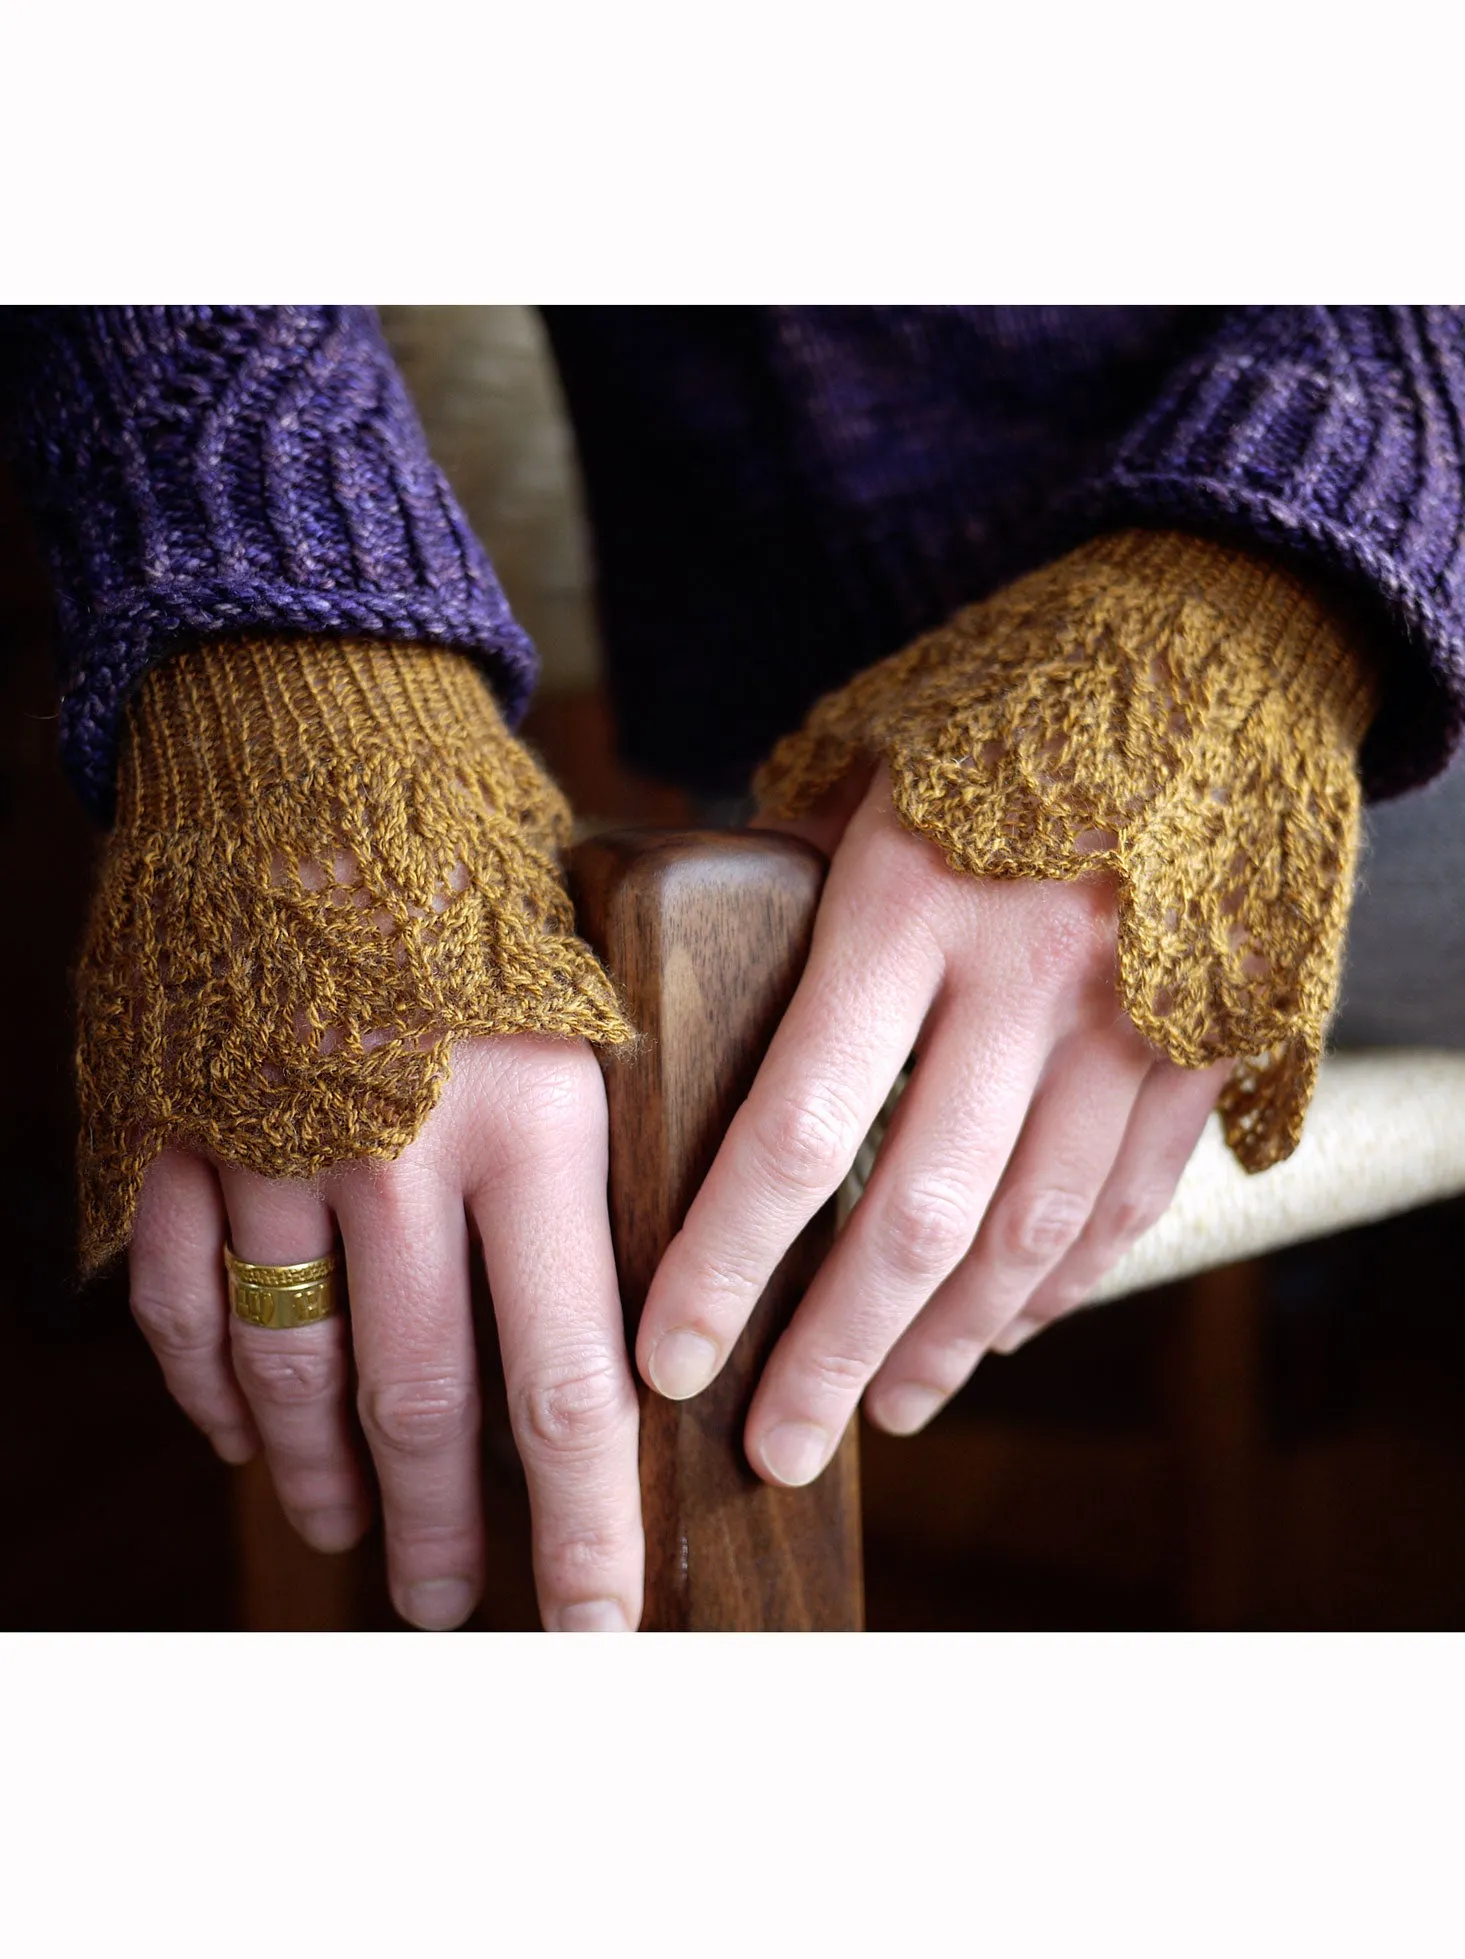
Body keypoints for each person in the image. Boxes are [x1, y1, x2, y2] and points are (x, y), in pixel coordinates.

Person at [3, 305, 1462, 1633]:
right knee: (691, 1011)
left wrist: (1271, 586)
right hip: (798, 735)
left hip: (1393, 614)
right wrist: (275, 632)